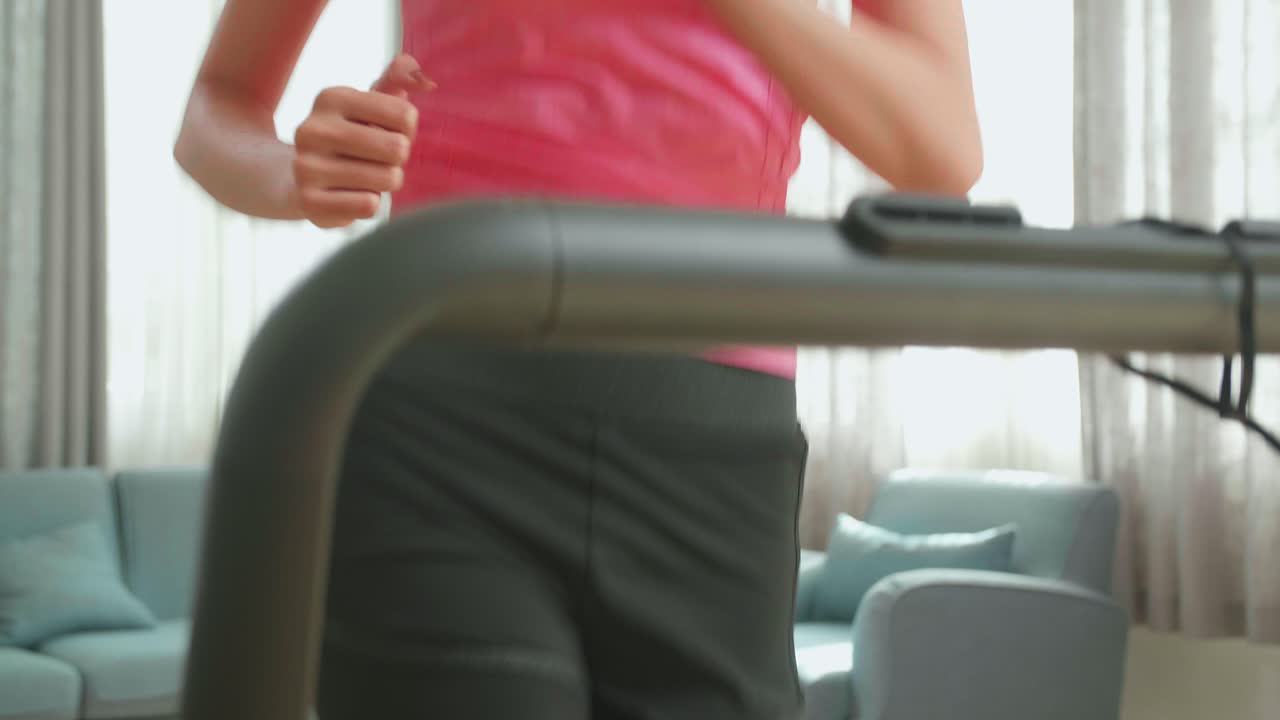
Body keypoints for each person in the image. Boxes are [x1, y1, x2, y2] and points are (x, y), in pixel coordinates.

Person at [174, 1, 981, 717]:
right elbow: (217, 106)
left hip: (712, 439)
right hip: (442, 418)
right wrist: (294, 173)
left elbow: (939, 148)